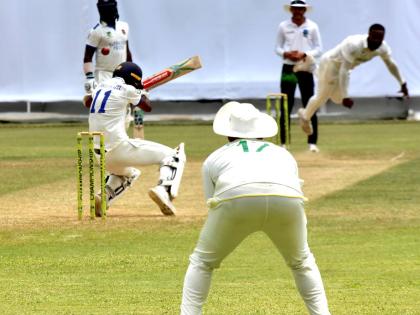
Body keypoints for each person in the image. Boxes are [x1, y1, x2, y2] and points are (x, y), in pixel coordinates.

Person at [180, 101, 330, 315]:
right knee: (302, 262)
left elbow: (212, 203)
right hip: (287, 199)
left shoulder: (215, 157)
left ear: (228, 134)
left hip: (235, 199)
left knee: (202, 262)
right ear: (260, 132)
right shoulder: (283, 154)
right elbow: (295, 189)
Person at [88, 61, 186, 216]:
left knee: (129, 173)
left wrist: (135, 91)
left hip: (99, 155)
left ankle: (104, 197)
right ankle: (164, 191)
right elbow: (147, 106)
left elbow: (88, 101)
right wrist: (142, 91)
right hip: (119, 148)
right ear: (133, 81)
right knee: (174, 155)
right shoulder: (128, 89)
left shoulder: (101, 86)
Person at [298, 23, 409, 135]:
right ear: (369, 34)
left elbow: (391, 65)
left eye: (380, 39)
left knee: (337, 99)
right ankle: (305, 117)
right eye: (374, 37)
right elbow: (344, 70)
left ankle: (313, 67)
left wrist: (402, 83)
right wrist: (346, 97)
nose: (377, 41)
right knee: (322, 97)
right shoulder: (354, 44)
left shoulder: (382, 48)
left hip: (343, 70)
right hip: (331, 64)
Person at [83, 0, 145, 139]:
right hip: (104, 75)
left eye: (109, 8)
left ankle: (120, 145)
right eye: (104, 9)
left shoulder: (124, 27)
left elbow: (127, 52)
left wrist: (134, 75)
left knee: (125, 111)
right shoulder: (96, 32)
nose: (107, 11)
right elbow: (87, 58)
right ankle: (102, 147)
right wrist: (90, 78)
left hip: (123, 75)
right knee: (104, 111)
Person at [275, 0, 322, 152]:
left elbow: (318, 49)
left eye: (301, 9)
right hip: (289, 68)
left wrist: (304, 54)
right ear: (291, 10)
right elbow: (277, 47)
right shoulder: (283, 26)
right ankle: (284, 143)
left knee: (310, 103)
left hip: (305, 68)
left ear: (305, 10)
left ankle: (312, 143)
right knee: (285, 104)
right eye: (295, 9)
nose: (298, 11)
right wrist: (286, 53)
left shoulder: (312, 26)